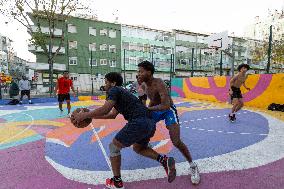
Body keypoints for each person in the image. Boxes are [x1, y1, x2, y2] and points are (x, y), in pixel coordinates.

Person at [72, 72, 177, 189]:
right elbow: (112, 115)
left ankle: (117, 182)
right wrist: (90, 116)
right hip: (150, 123)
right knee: (139, 148)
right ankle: (164, 160)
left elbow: (105, 109)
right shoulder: (122, 93)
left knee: (114, 147)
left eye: (106, 82)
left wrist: (84, 115)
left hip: (138, 122)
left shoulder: (114, 90)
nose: (105, 84)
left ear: (113, 83)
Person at [137, 60, 200, 185]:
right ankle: (147, 142)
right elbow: (144, 104)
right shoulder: (143, 85)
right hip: (154, 109)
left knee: (176, 141)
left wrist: (148, 109)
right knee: (143, 124)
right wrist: (141, 95)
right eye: (138, 71)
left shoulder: (159, 83)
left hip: (168, 110)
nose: (138, 74)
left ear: (149, 72)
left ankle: (193, 165)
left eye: (141, 71)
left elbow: (165, 105)